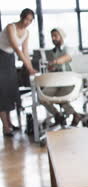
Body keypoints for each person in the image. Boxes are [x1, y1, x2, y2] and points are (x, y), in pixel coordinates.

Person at [0, 8, 37, 137]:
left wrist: (31, 68)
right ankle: (5, 127)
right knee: (2, 93)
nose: (28, 22)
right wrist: (30, 69)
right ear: (21, 17)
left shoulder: (26, 33)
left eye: (30, 20)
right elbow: (17, 49)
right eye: (26, 19)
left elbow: (26, 52)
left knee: (10, 91)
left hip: (9, 59)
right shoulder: (11, 27)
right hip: (0, 57)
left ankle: (10, 123)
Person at [40, 27, 81, 126]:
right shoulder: (53, 52)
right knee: (42, 97)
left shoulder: (68, 48)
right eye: (52, 37)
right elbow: (53, 66)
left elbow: (66, 58)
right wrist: (51, 67)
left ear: (61, 36)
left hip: (69, 81)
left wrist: (53, 62)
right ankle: (58, 115)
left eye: (55, 36)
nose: (53, 38)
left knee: (60, 97)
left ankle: (74, 114)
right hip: (56, 80)